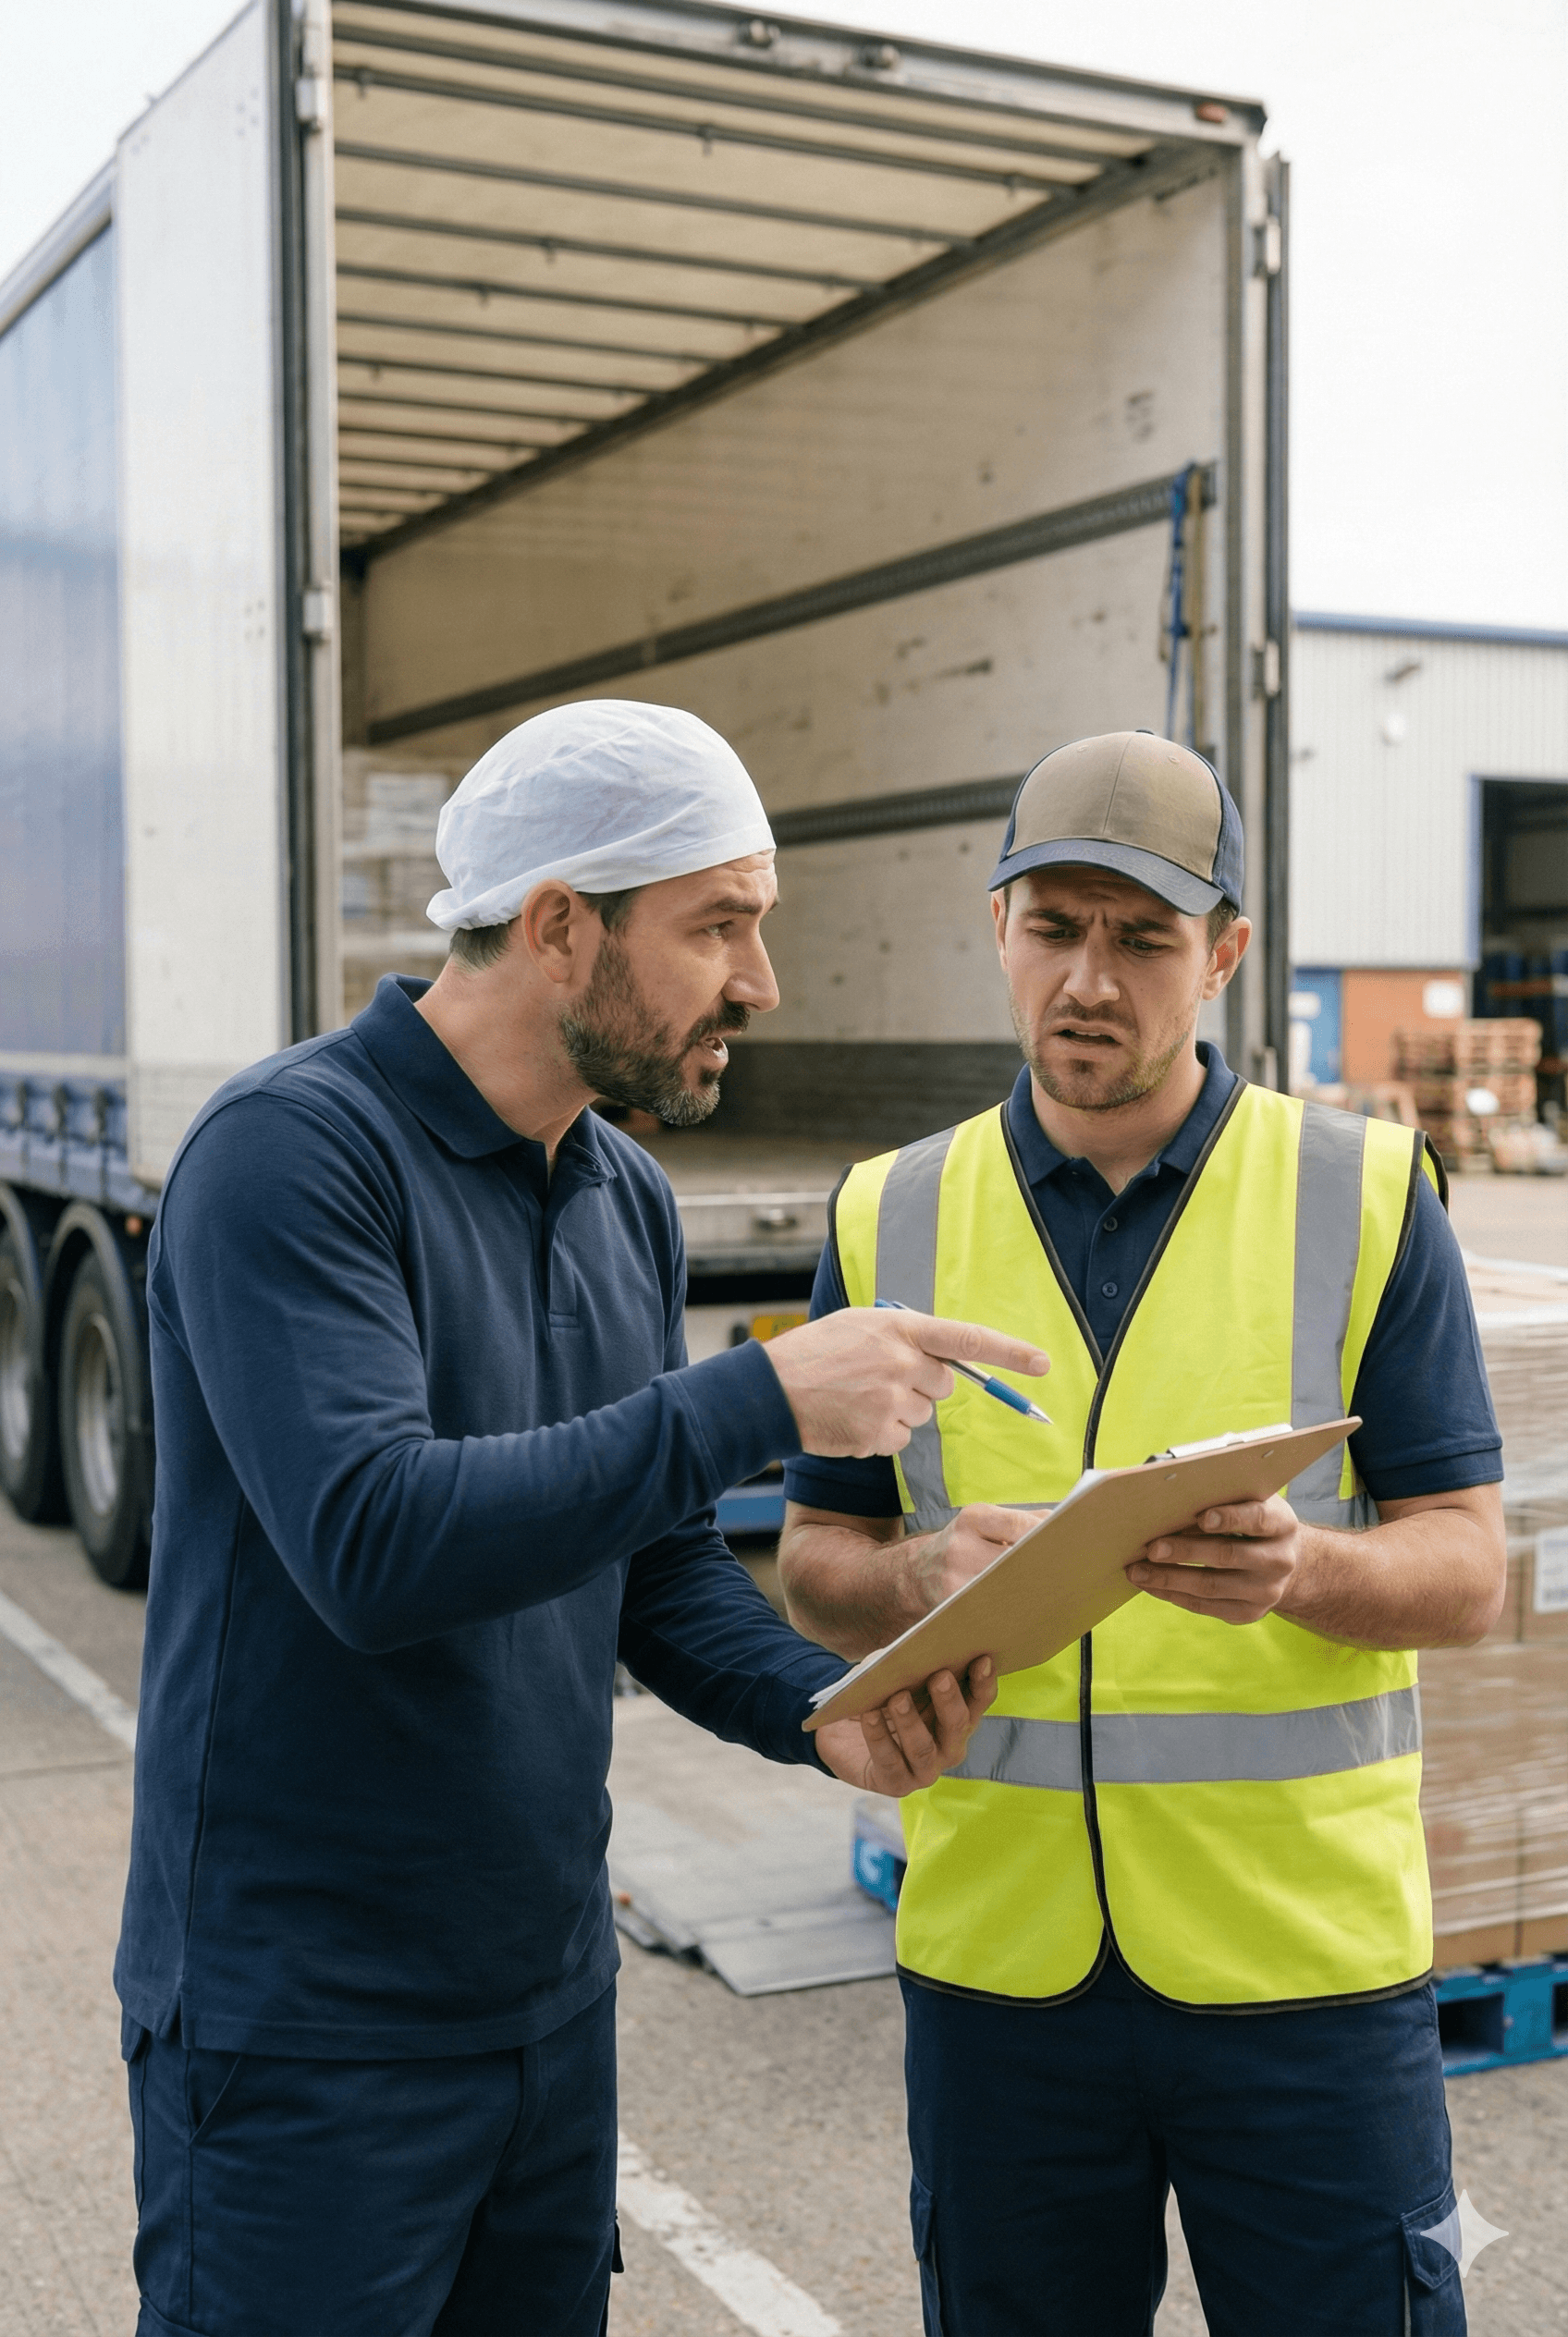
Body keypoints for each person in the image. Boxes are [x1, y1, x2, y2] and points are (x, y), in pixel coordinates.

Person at [116, 699, 1043, 2337]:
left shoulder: (619, 1198)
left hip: (544, 2018)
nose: (759, 982)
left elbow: (655, 1561)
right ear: (559, 926)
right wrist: (764, 1397)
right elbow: (373, 1544)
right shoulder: (293, 1157)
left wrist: (820, 1713)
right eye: (718, 926)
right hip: (305, 2040)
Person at [778, 729, 1506, 2337]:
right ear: (998, 931)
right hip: (1002, 1978)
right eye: (1055, 928)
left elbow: (1469, 1570)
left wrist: (1307, 1568)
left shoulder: (1368, 1193)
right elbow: (814, 1560)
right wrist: (909, 1576)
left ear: (1225, 954)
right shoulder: (887, 1213)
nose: (1089, 981)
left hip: (1301, 1975)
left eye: (1143, 937)